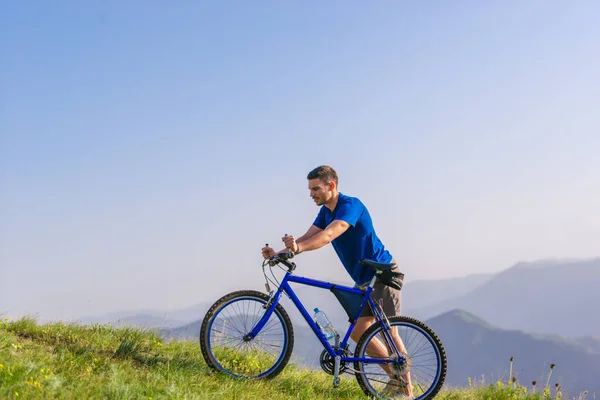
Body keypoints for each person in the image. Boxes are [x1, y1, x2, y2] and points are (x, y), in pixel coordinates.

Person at [261, 165, 413, 397]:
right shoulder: (326, 211)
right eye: (310, 189)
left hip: (381, 273)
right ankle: (395, 378)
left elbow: (328, 235)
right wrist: (280, 254)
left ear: (331, 186)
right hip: (364, 279)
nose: (311, 194)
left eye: (315, 189)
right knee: (358, 333)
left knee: (388, 333)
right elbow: (307, 237)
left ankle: (407, 392)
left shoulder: (350, 206)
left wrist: (298, 248)